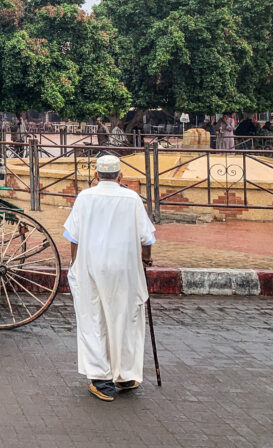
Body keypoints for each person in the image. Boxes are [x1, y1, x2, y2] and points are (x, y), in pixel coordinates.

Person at [63, 154, 156, 401]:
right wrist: (145, 260)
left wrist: (75, 265)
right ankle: (125, 375)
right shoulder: (132, 198)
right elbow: (146, 239)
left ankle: (101, 378)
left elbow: (74, 237)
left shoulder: (85, 197)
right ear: (120, 176)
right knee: (125, 319)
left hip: (91, 266)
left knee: (93, 320)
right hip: (124, 269)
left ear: (96, 175)